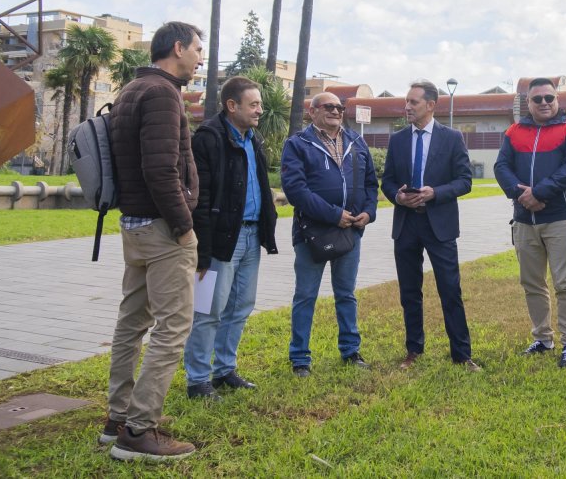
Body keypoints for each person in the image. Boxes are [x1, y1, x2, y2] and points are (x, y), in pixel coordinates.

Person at [103, 21, 204, 461]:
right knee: (173, 327)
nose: (200, 58)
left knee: (132, 322)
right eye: (198, 50)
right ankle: (139, 430)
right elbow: (161, 169)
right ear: (177, 48)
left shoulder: (132, 88)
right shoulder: (162, 93)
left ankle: (116, 419)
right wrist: (184, 227)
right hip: (163, 230)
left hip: (135, 224)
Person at [181, 76, 279, 401]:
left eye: (261, 104)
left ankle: (224, 371)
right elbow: (200, 199)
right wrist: (203, 252)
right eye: (254, 104)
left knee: (240, 307)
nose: (260, 110)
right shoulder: (208, 139)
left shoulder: (252, 138)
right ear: (232, 105)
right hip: (221, 240)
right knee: (208, 311)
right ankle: (198, 380)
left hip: (251, 236)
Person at [381, 80, 480, 372]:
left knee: (450, 289)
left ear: (431, 105)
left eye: (413, 102)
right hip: (406, 224)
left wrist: (435, 192)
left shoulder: (452, 138)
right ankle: (414, 350)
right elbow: (386, 180)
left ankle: (461, 354)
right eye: (406, 101)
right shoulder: (398, 139)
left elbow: (465, 181)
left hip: (440, 224)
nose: (407, 106)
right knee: (409, 292)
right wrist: (398, 196)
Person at [282, 92, 378, 376]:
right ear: (312, 112)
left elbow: (371, 183)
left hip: (350, 230)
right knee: (306, 295)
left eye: (340, 107)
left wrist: (369, 213)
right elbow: (296, 190)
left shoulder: (357, 142)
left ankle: (351, 351)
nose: (336, 111)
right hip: (313, 232)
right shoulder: (297, 144)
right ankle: (300, 358)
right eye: (329, 106)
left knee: (346, 294)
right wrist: (333, 215)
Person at [494, 78, 566, 367]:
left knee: (565, 283)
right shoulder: (514, 131)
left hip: (558, 218)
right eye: (538, 99)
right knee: (532, 282)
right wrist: (522, 196)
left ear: (557, 99)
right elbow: (501, 167)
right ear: (528, 103)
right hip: (524, 220)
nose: (545, 103)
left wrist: (539, 193)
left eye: (550, 97)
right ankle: (543, 338)